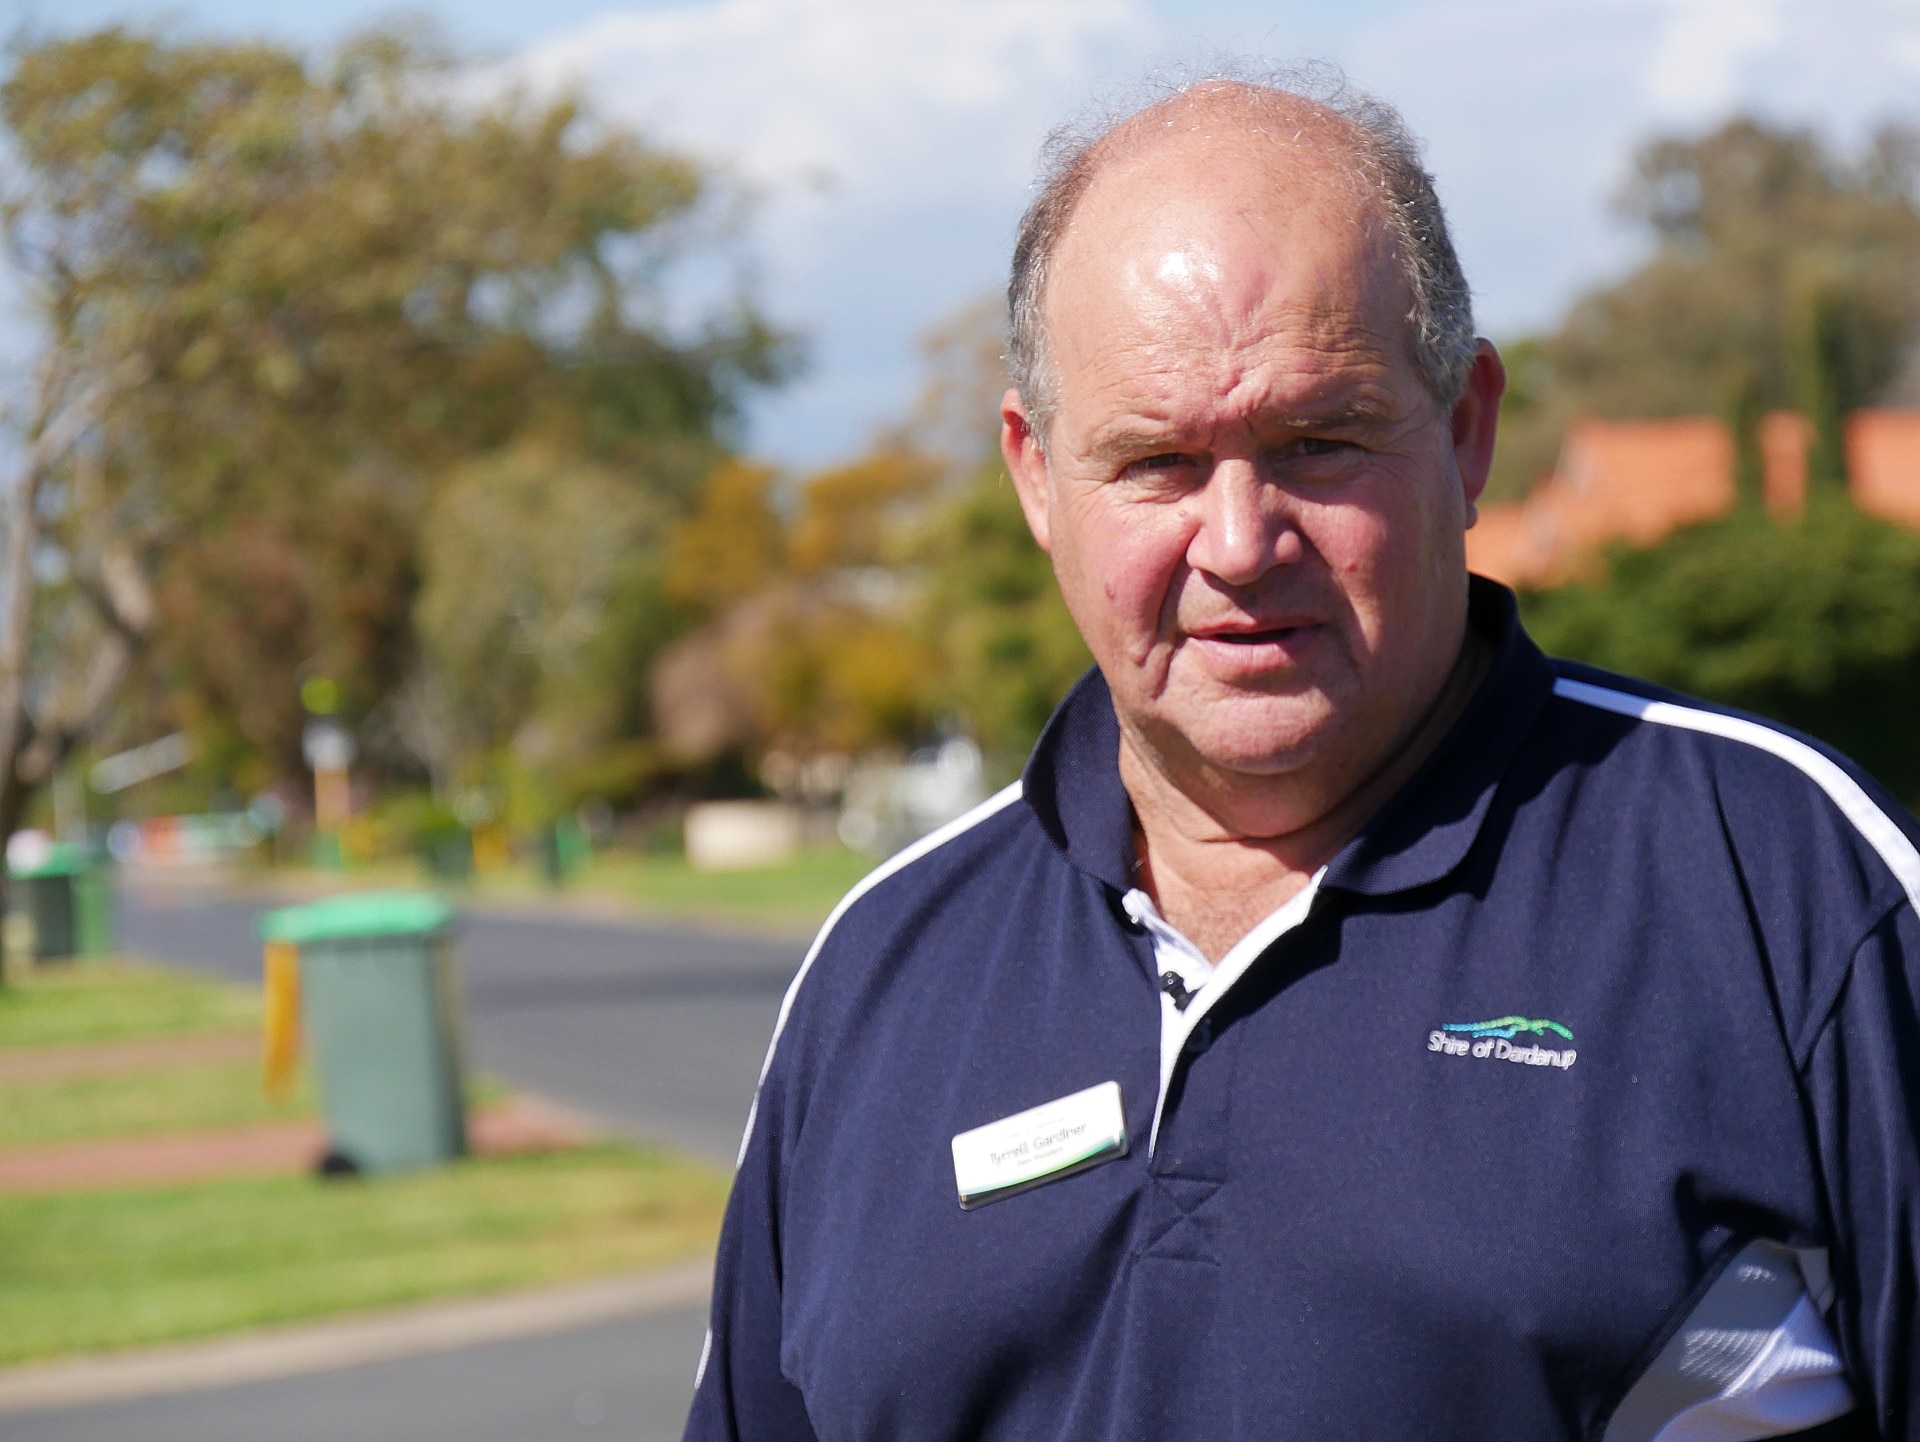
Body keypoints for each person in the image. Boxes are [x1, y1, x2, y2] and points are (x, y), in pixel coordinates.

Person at [685, 70, 1919, 1442]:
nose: (1237, 539)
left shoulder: (1791, 891)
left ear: (1465, 431)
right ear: (1037, 475)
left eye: (1317, 441)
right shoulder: (881, 974)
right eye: (1156, 459)